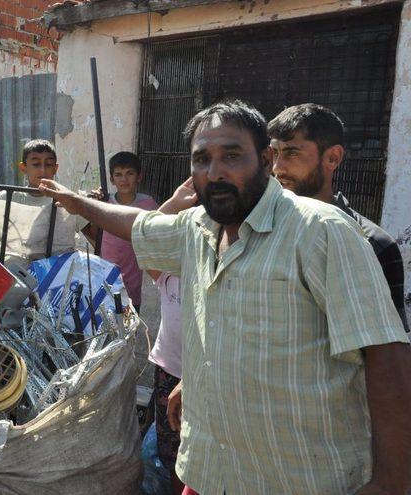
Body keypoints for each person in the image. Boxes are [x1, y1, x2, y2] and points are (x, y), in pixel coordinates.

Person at [38, 100, 411, 494]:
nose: (215, 172)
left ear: (266, 159)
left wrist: (394, 479)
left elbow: (386, 354)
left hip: (297, 479)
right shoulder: (198, 228)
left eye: (231, 155)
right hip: (210, 471)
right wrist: (75, 201)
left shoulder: (321, 231)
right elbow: (140, 224)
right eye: (202, 159)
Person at [268, 103, 409, 332]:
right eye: (274, 153)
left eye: (291, 153)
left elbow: (387, 349)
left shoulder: (372, 244)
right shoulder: (260, 231)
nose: (278, 168)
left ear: (333, 158)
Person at [145, 179, 197, 495]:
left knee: (196, 454)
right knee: (172, 451)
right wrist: (174, 203)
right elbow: (146, 236)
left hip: (204, 376)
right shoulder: (167, 273)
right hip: (169, 373)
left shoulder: (221, 275)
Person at [100, 152, 158, 312]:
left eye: (129, 174)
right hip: (106, 276)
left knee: (130, 324)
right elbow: (89, 228)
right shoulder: (104, 203)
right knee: (106, 326)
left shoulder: (148, 204)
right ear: (112, 179)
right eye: (118, 175)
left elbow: (156, 235)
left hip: (133, 277)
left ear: (139, 176)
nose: (124, 180)